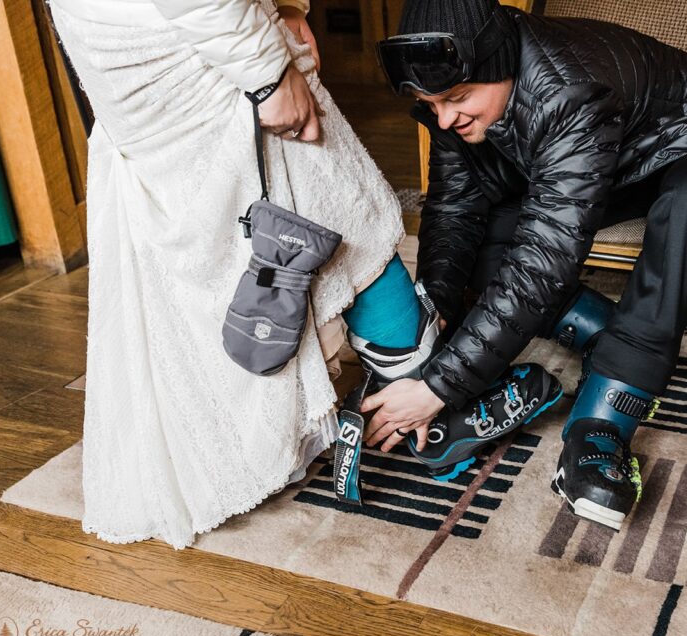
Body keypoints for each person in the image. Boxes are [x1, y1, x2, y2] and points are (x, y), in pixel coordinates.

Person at [370, 0, 687, 530]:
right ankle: (611, 338)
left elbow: (545, 260)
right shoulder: (455, 105)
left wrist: (437, 390)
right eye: (431, 105)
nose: (444, 118)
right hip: (619, 157)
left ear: (498, 66)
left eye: (457, 99)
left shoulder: (568, 90)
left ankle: (602, 421)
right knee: (485, 235)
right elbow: (454, 209)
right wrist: (436, 325)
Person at [48, 0, 420, 550]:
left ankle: (255, 428)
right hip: (184, 25)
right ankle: (413, 370)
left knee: (220, 232)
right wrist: (267, 71)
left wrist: (286, 7)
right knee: (332, 189)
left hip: (117, 27)